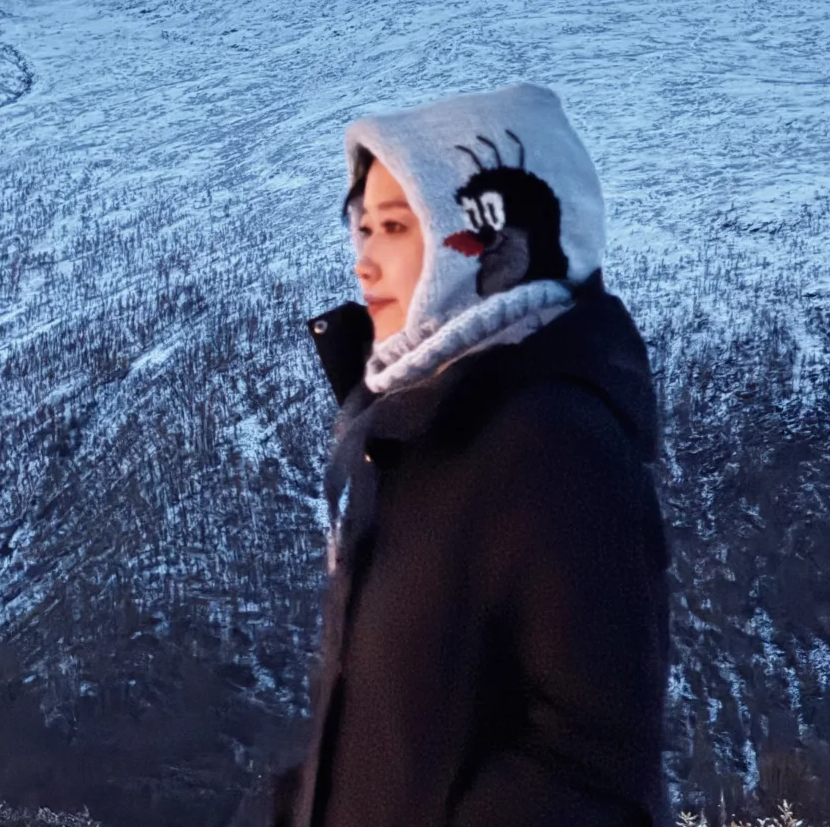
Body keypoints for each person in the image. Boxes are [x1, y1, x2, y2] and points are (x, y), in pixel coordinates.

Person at [268, 82, 672, 827]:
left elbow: (591, 762)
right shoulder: (415, 435)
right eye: (361, 227)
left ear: (485, 238)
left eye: (394, 226)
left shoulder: (553, 443)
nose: (363, 262)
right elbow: (373, 743)